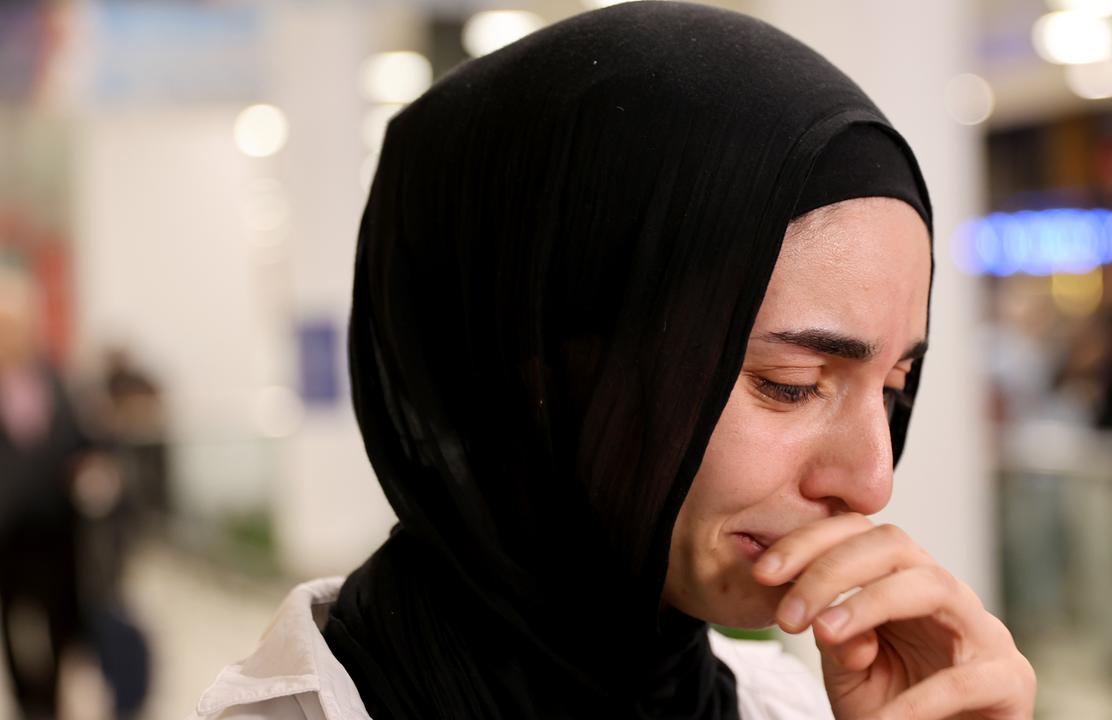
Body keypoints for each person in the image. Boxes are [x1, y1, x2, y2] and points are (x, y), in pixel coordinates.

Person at [193, 4, 1034, 719]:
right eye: (791, 384)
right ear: (546, 367)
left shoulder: (788, 705)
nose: (871, 481)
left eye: (895, 388)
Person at [0, 264, 91, 719]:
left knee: (59, 619)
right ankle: (25, 700)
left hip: (55, 529)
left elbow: (80, 438)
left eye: (18, 324)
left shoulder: (55, 378)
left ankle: (50, 701)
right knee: (12, 625)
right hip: (6, 534)